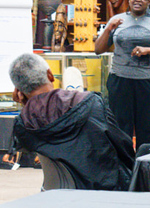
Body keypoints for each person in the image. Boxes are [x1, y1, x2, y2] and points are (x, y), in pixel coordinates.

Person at [9, 53, 135, 191]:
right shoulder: (91, 103)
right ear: (50, 75)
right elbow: (124, 146)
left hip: (58, 192)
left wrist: (26, 104)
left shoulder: (24, 124)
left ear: (18, 91)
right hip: (105, 190)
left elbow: (28, 143)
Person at [95, 0, 150, 150]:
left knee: (148, 128)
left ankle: (146, 167)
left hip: (148, 82)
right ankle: (123, 169)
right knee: (119, 127)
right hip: (120, 81)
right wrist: (109, 28)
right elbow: (98, 49)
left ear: (149, 1)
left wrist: (148, 50)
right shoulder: (116, 20)